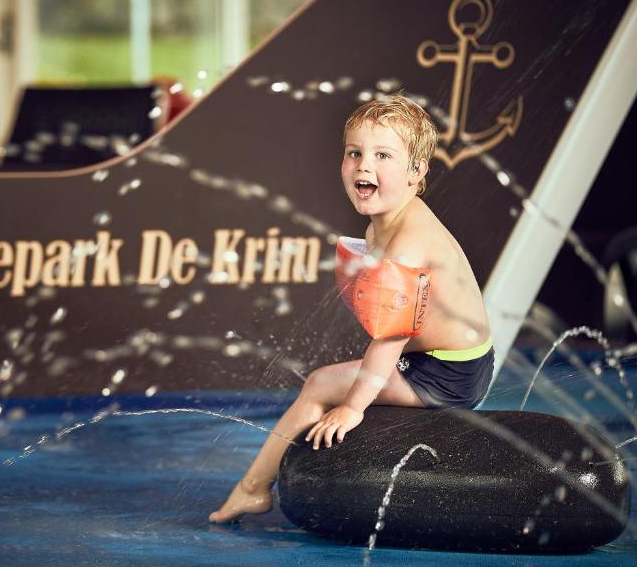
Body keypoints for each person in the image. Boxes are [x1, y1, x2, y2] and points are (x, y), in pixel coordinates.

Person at [208, 94, 493, 524]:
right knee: (331, 380)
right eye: (354, 153)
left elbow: (393, 334)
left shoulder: (410, 239)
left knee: (322, 384)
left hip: (449, 374)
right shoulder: (382, 225)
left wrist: (354, 406)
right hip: (433, 359)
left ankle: (253, 489)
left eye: (383, 156)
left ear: (417, 173)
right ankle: (253, 486)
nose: (364, 166)